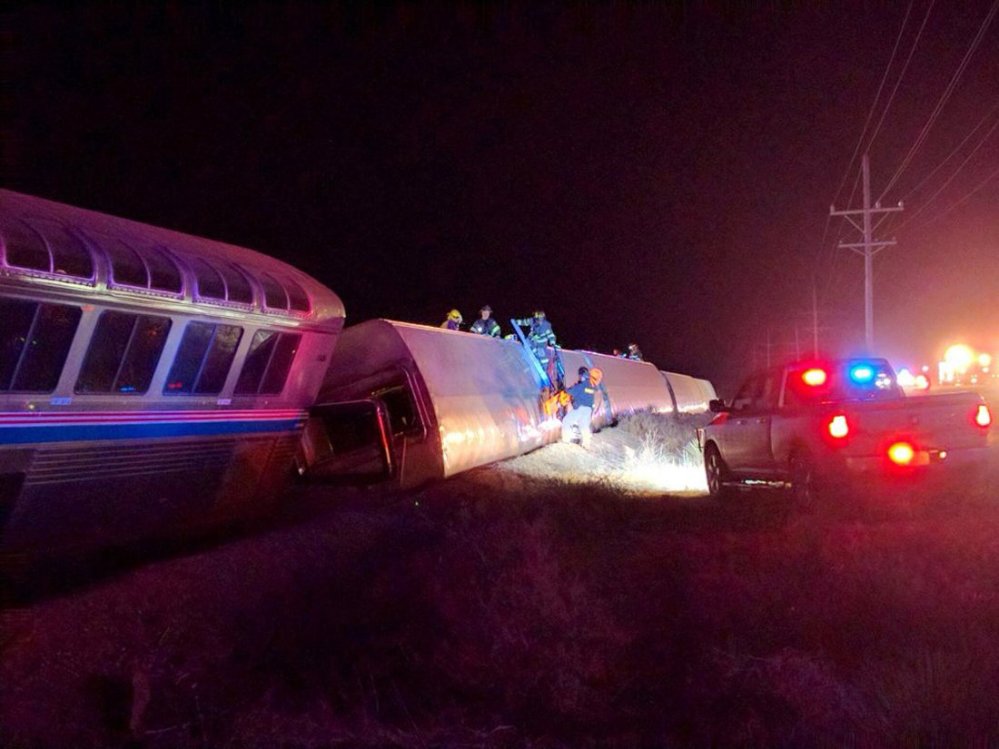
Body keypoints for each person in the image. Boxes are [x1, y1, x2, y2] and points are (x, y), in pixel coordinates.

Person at [561, 367, 603, 448]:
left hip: (580, 408)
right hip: (588, 410)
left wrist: (566, 390)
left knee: (566, 421)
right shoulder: (592, 386)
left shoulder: (583, 384)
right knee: (584, 426)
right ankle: (586, 444)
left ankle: (565, 441)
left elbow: (572, 391)